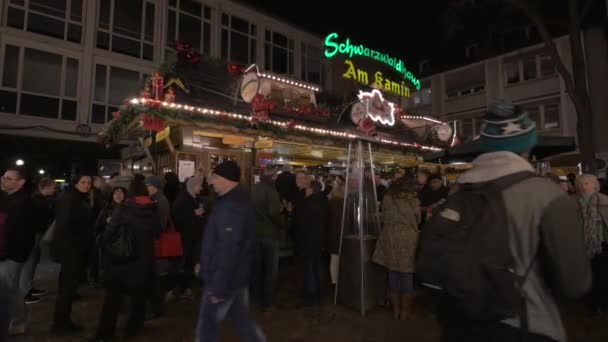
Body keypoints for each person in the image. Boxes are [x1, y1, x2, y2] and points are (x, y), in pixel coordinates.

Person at [436, 99, 591, 342]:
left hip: (460, 320)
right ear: (528, 145)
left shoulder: (459, 190)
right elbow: (576, 283)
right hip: (525, 324)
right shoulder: (547, 195)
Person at [196, 160, 265, 342]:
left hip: (224, 279)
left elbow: (229, 249)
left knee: (207, 326)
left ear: (227, 179)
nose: (211, 182)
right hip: (236, 277)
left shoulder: (230, 207)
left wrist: (218, 287)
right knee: (243, 323)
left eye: (215, 178)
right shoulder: (235, 201)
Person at [92, 177, 161, 341]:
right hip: (143, 262)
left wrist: (99, 240)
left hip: (123, 261)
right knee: (138, 298)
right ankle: (134, 328)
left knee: (112, 300)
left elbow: (109, 233)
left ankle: (105, 334)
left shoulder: (124, 208)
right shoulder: (153, 209)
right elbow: (158, 232)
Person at [372, 176, 421, 320]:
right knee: (407, 274)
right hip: (408, 239)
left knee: (393, 272)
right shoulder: (413, 199)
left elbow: (384, 216)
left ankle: (396, 311)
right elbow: (418, 219)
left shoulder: (388, 198)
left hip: (390, 237)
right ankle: (405, 312)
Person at [51, 174, 94, 335]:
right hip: (72, 250)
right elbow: (65, 226)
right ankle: (60, 323)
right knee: (66, 288)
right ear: (75, 183)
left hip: (74, 249)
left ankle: (63, 321)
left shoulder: (77, 197)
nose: (87, 185)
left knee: (68, 288)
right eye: (83, 182)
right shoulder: (70, 199)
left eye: (89, 182)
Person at [0, 167, 34, 336]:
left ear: (21, 182)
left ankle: (18, 322)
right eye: (3, 177)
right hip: (7, 252)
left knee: (8, 289)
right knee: (10, 288)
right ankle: (18, 320)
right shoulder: (8, 198)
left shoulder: (23, 202)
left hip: (12, 254)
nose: (3, 180)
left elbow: (20, 233)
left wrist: (6, 253)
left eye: (8, 178)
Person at [290, 171, 329, 311]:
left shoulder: (308, 203)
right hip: (317, 239)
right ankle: (319, 294)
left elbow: (301, 223)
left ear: (310, 187)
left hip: (307, 240)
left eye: (301, 178)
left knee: (309, 268)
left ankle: (311, 297)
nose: (298, 181)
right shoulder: (321, 200)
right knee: (316, 266)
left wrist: (294, 214)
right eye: (297, 178)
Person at [574, 174, 608, 316]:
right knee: (598, 275)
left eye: (586, 183)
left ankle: (596, 303)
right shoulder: (604, 200)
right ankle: (598, 304)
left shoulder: (604, 201)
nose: (584, 186)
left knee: (596, 275)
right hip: (592, 244)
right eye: (582, 183)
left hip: (593, 244)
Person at [251, 166, 283, 310]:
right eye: (276, 175)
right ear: (273, 176)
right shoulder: (271, 190)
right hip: (270, 233)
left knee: (257, 267)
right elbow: (274, 212)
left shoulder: (255, 187)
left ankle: (256, 295)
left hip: (255, 233)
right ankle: (268, 299)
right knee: (271, 269)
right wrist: (282, 224)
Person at [21, 177, 57, 305]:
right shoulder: (36, 200)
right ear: (45, 188)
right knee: (30, 262)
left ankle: (29, 288)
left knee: (34, 261)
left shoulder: (40, 199)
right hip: (34, 234)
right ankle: (25, 292)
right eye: (53, 187)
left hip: (37, 233)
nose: (55, 189)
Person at [172, 176, 206, 299]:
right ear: (193, 186)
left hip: (192, 237)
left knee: (190, 262)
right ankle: (183, 288)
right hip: (185, 238)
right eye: (200, 185)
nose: (202, 188)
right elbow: (176, 218)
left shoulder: (194, 198)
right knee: (185, 263)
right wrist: (193, 214)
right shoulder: (182, 200)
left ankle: (186, 286)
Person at [94, 187, 127, 282]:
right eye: (116, 193)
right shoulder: (106, 209)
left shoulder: (129, 209)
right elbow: (97, 226)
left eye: (121, 193)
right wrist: (105, 222)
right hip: (109, 244)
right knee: (108, 267)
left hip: (123, 243)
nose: (118, 195)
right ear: (112, 195)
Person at [328, 176, 345, 286]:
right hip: (342, 233)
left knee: (334, 258)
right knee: (339, 259)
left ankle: (334, 282)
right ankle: (339, 281)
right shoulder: (344, 204)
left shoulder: (330, 202)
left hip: (332, 233)